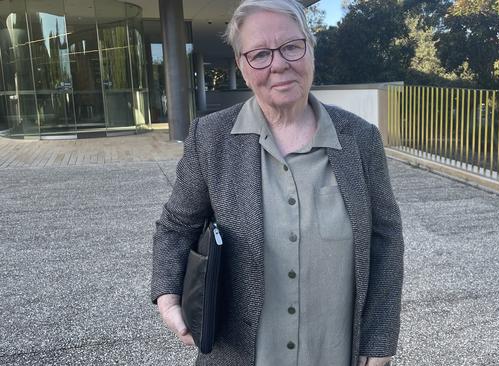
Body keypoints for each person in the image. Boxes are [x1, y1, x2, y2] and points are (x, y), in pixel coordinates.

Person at [150, 0, 404, 365]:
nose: (279, 64)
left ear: (310, 49)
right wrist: (168, 294)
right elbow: (176, 225)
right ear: (242, 64)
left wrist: (379, 341)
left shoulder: (360, 139)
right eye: (260, 54)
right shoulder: (211, 137)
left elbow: (386, 239)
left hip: (334, 353)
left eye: (291, 46)